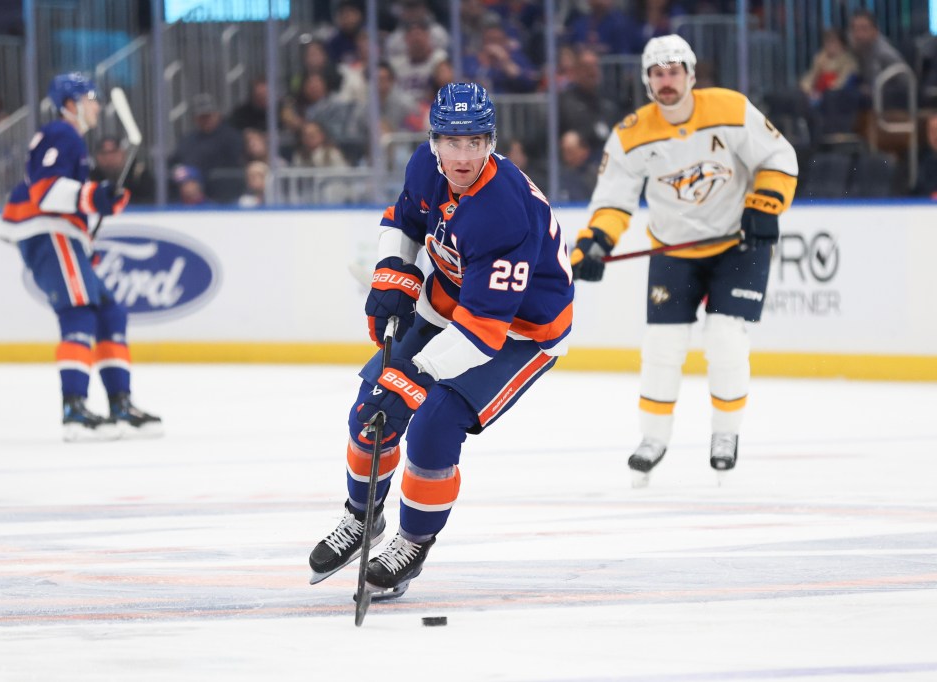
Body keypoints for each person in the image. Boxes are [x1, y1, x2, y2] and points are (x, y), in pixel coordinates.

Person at [308, 83, 573, 598]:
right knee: (370, 411)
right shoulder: (424, 168)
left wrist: (415, 375)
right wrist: (393, 272)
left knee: (433, 421)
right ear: (434, 142)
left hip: (521, 331)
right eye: (453, 141)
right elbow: (403, 220)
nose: (463, 155)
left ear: (491, 142)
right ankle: (361, 517)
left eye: (476, 141)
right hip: (449, 302)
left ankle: (412, 542)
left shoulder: (503, 210)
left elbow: (481, 333)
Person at [570, 35, 798, 486]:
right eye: (657, 73)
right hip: (672, 248)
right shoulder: (632, 133)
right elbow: (613, 200)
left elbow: (778, 156)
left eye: (675, 70)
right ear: (646, 81)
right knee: (661, 346)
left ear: (692, 75)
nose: (666, 80)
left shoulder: (730, 108)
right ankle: (653, 438)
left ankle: (725, 435)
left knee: (725, 338)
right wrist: (595, 243)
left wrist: (765, 205)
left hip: (738, 243)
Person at [0, 72, 163, 442]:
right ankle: (74, 408)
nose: (98, 105)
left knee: (109, 312)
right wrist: (93, 196)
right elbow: (46, 191)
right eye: (91, 98)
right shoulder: (63, 134)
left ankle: (120, 403)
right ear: (71, 104)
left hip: (63, 234)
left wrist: (102, 198)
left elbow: (71, 194)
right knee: (78, 310)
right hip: (49, 233)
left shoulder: (71, 140)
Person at [89, 135, 156, 205]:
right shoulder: (90, 179)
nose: (109, 158)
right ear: (96, 156)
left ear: (123, 153)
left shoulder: (138, 176)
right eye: (103, 153)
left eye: (113, 152)